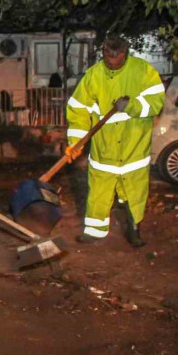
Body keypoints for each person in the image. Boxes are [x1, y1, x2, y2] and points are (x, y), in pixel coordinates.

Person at [64, 36, 165, 247]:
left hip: (133, 148)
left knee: (134, 193)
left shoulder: (143, 71)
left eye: (116, 58)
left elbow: (156, 102)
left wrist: (132, 105)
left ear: (125, 54)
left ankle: (134, 231)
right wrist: (76, 141)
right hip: (104, 149)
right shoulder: (93, 76)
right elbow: (78, 110)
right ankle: (94, 231)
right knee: (99, 192)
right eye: (108, 58)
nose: (112, 62)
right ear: (103, 53)